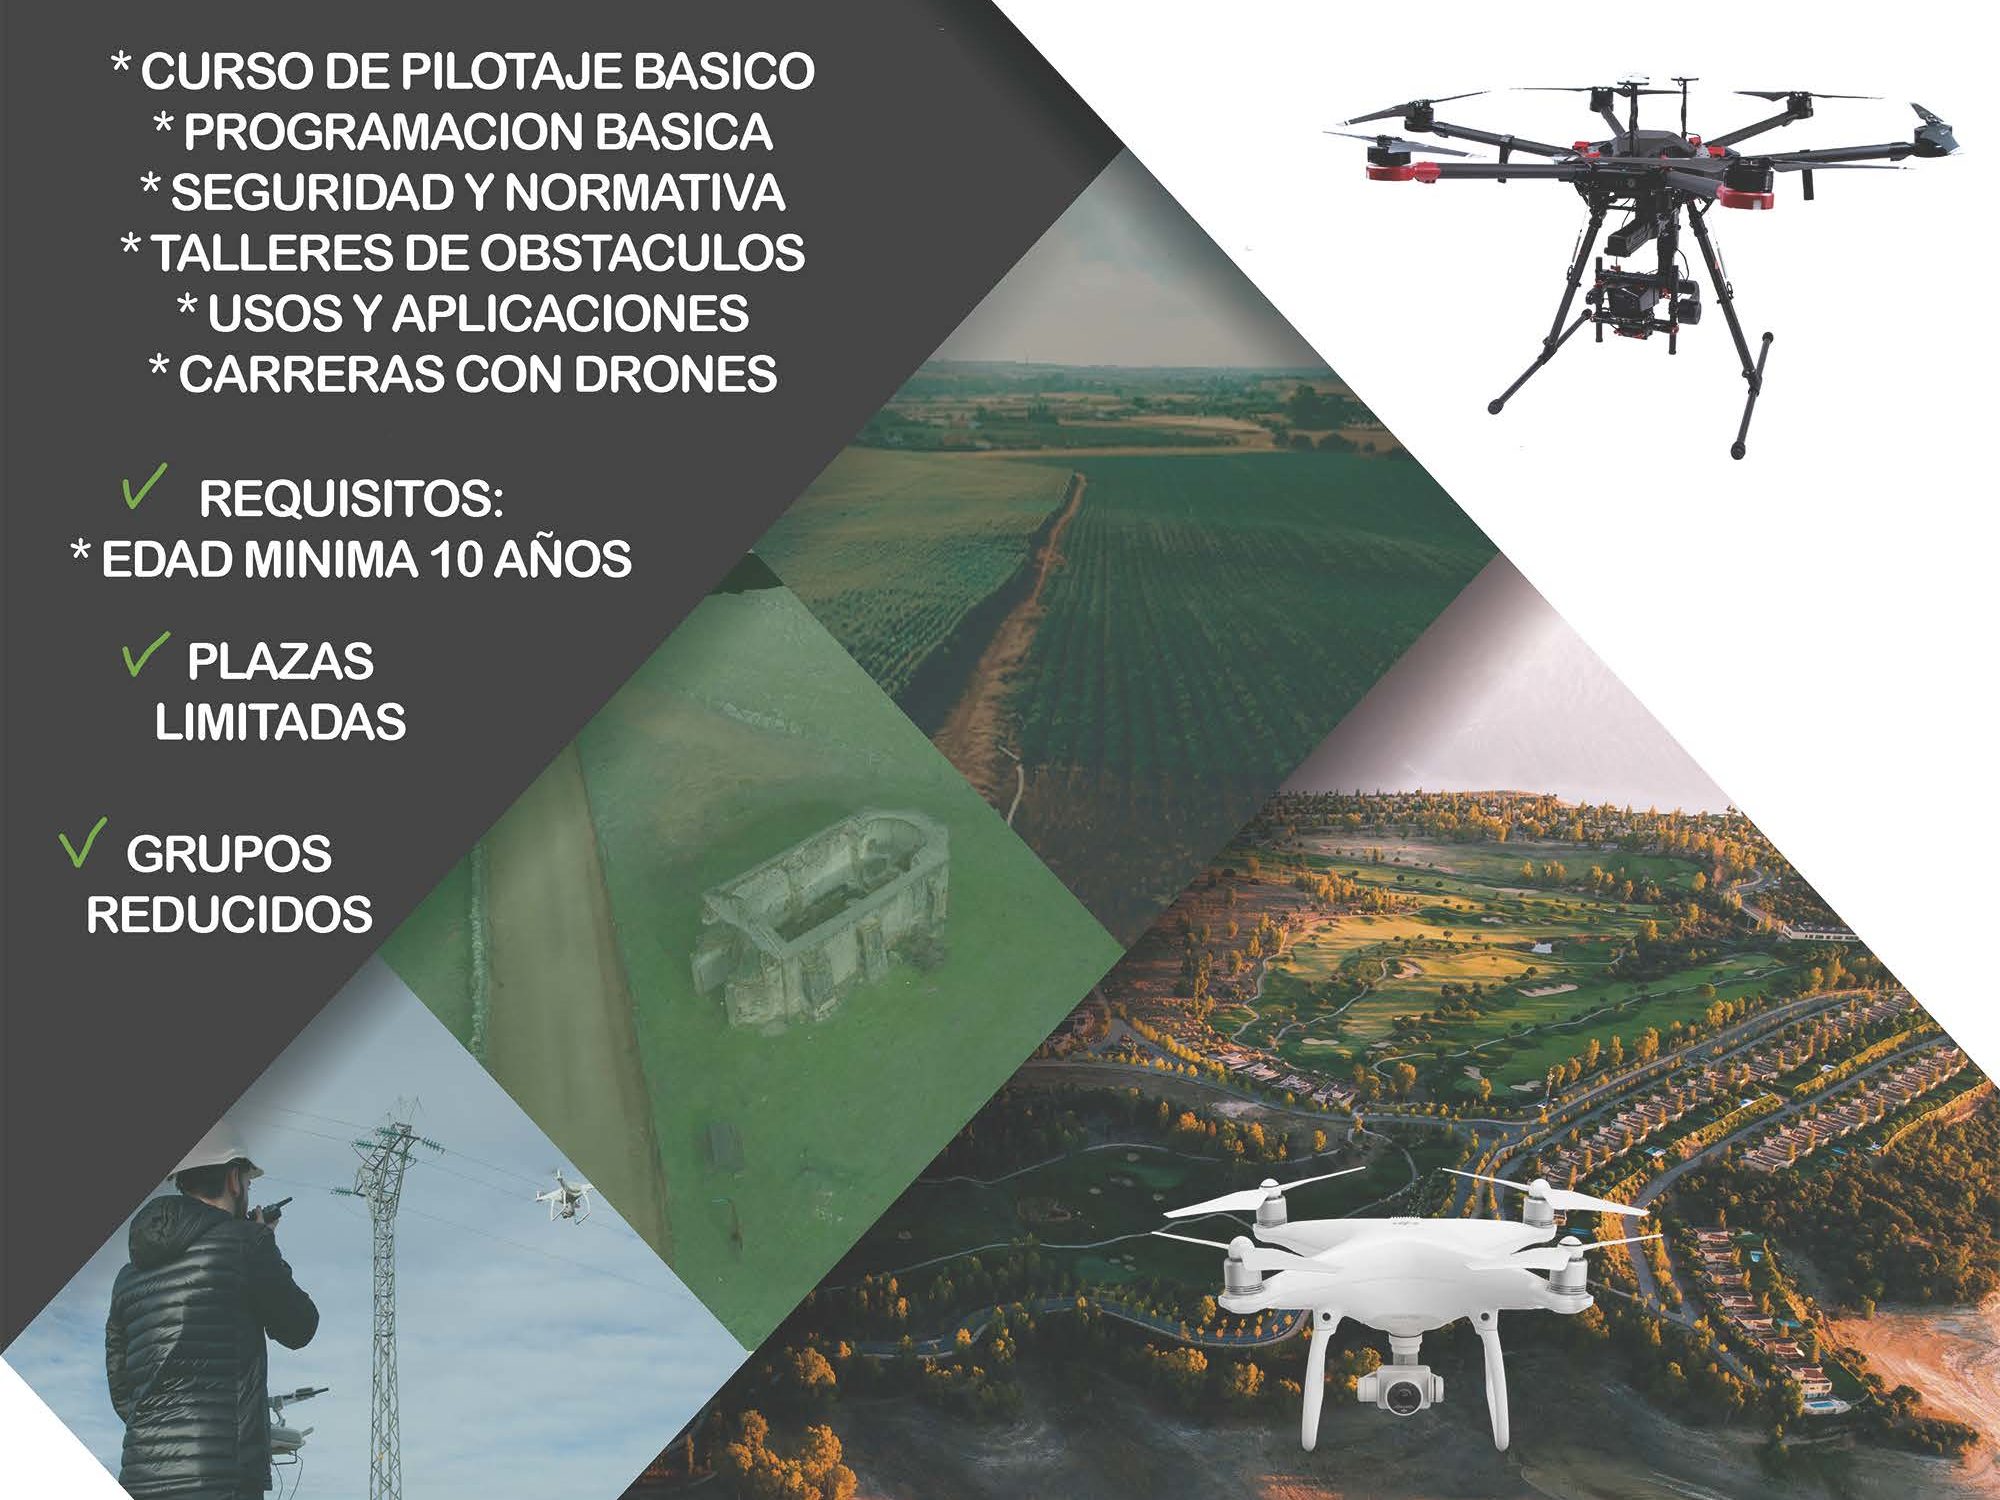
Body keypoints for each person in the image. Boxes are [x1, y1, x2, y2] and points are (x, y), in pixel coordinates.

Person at [105, 1124, 320, 1499]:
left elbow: (121, 1390)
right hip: (221, 1477)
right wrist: (266, 1243)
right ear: (234, 1179)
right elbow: (300, 1326)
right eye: (248, 1182)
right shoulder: (248, 1243)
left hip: (140, 1477)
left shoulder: (127, 1276)